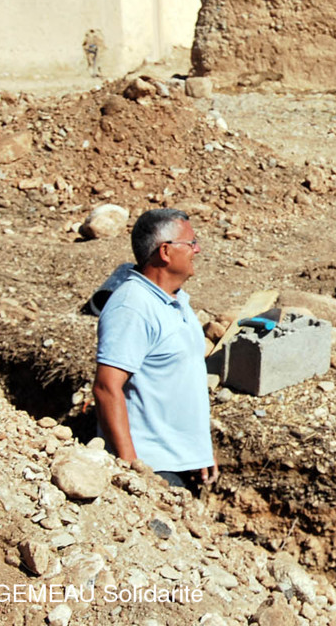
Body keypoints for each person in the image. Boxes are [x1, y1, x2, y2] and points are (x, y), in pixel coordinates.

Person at [94, 208, 218, 490]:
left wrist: (199, 449)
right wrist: (133, 470)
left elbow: (181, 380)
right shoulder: (132, 307)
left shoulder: (176, 300)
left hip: (181, 463)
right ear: (165, 251)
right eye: (191, 243)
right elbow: (105, 388)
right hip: (153, 468)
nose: (197, 249)